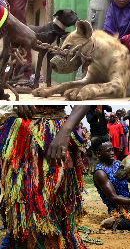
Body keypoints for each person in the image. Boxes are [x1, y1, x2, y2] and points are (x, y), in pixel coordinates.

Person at [0, 105, 89, 248]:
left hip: (57, 134)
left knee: (60, 204)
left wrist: (66, 130)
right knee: (24, 207)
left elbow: (87, 96)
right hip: (21, 136)